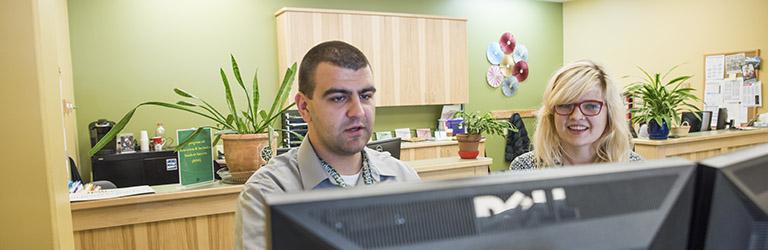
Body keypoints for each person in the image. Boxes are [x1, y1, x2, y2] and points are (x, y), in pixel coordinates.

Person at [234, 41, 420, 250]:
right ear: (304, 107)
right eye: (339, 98)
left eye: (366, 96)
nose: (358, 111)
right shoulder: (267, 193)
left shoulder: (403, 178)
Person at [510, 60, 642, 170]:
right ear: (551, 113)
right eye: (565, 105)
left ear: (609, 113)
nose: (576, 116)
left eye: (591, 106)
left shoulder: (634, 167)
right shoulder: (525, 168)